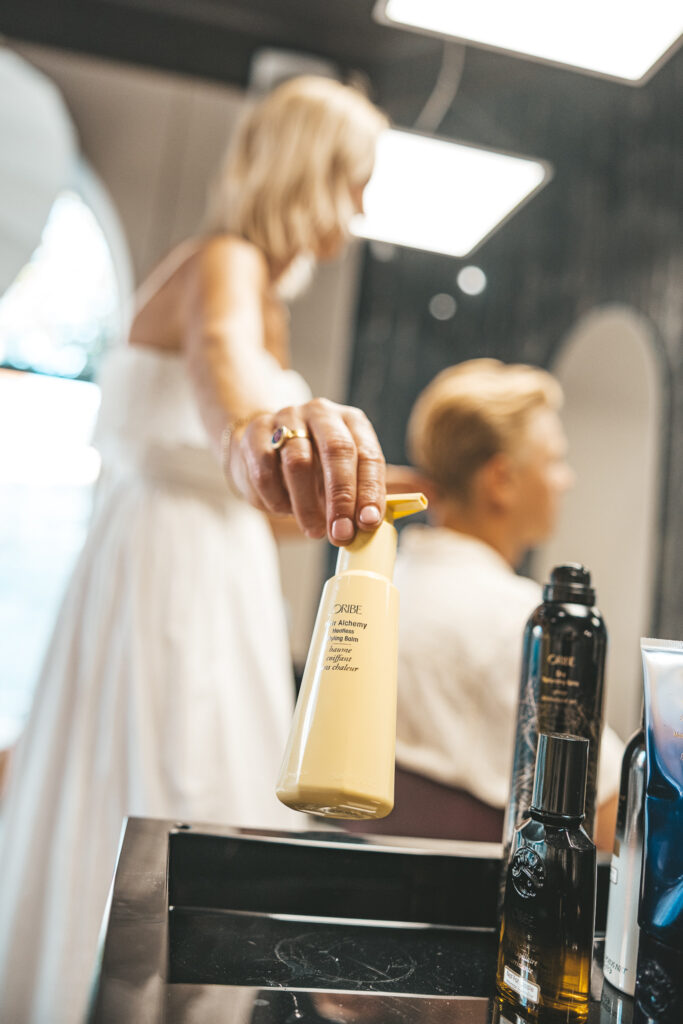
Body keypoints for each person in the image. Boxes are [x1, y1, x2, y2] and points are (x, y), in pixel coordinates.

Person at [0, 76, 389, 1024]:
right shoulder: (226, 265)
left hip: (195, 575)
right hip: (174, 597)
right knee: (176, 819)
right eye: (356, 178)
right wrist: (267, 432)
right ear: (313, 170)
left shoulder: (252, 289)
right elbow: (231, 389)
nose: (363, 206)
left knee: (177, 820)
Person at [348, 359, 623, 847]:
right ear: (502, 480)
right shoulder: (524, 624)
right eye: (554, 460)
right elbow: (615, 821)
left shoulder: (375, 589)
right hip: (477, 913)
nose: (566, 480)